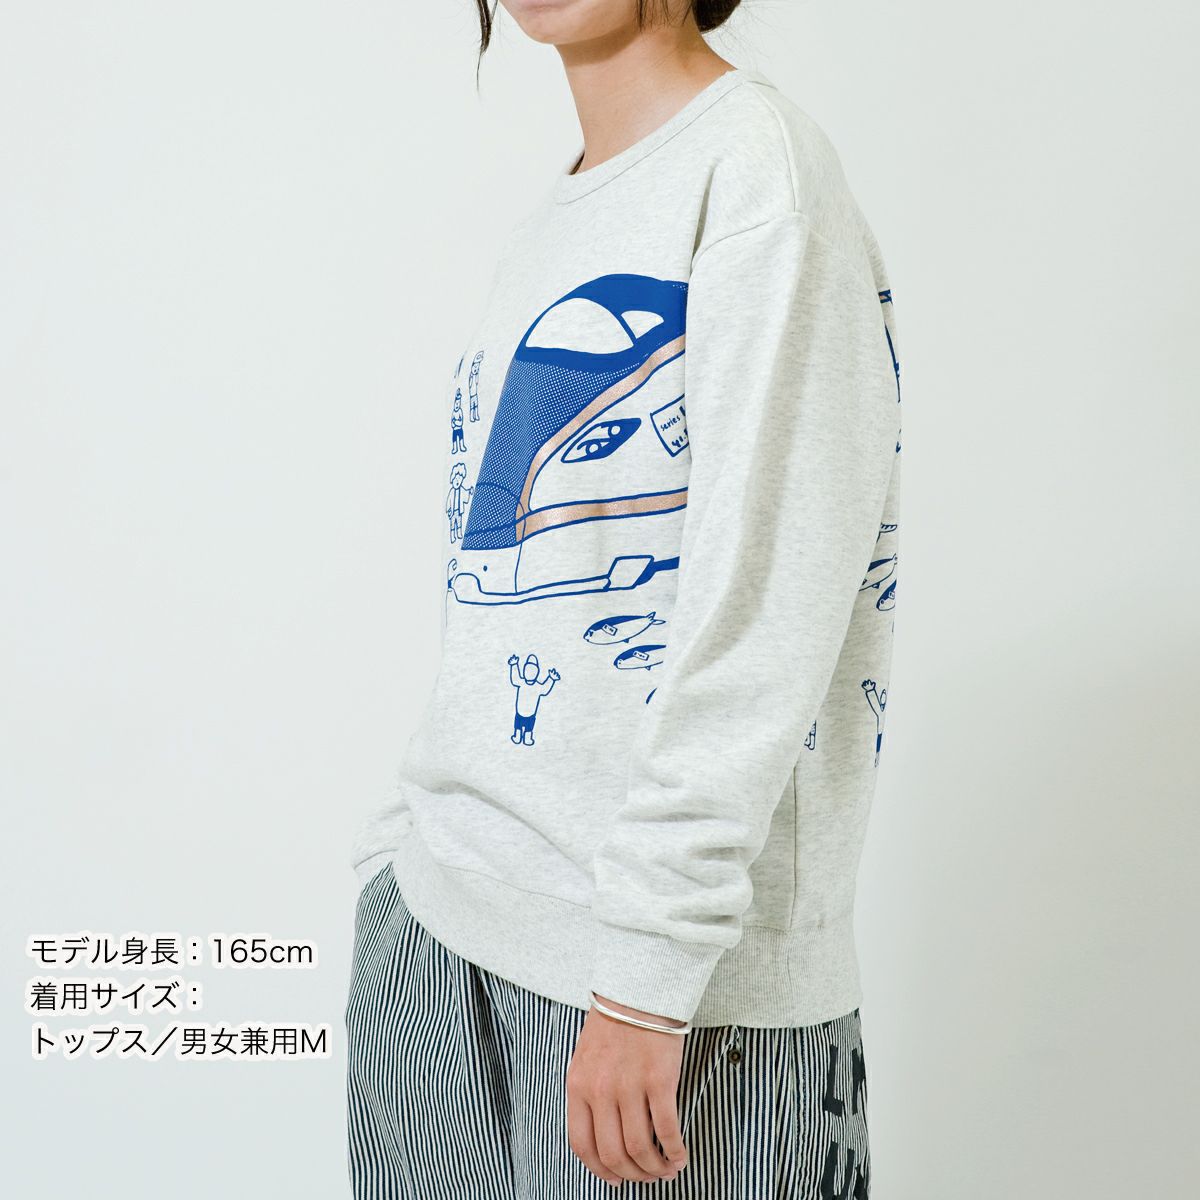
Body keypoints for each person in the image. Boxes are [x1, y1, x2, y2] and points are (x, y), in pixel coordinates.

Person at [346, 1, 903, 1196]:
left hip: (654, 990)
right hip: (439, 931)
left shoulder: (758, 175)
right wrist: (403, 858)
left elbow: (769, 603)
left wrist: (646, 978)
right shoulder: (557, 220)